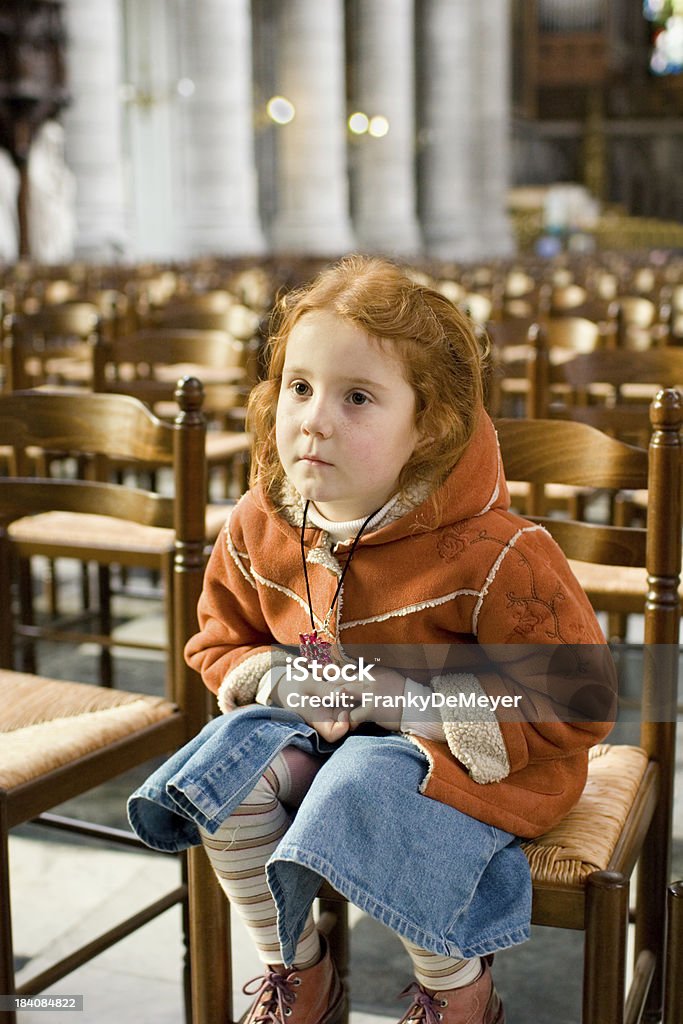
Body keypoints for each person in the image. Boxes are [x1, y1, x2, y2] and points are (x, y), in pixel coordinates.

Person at [128, 254, 616, 1024]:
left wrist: (408, 704)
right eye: (298, 387)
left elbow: (580, 699)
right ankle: (298, 972)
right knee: (225, 777)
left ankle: (456, 991)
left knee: (363, 788)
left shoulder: (496, 553)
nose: (314, 418)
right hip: (319, 725)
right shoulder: (261, 522)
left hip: (466, 753)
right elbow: (219, 642)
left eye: (356, 397)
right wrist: (283, 682)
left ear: (428, 426)